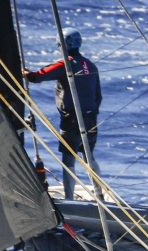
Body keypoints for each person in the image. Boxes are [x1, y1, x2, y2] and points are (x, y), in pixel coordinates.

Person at [25, 30, 102, 201]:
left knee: (69, 159)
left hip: (72, 120)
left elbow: (38, 77)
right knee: (89, 156)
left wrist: (26, 74)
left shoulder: (65, 64)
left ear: (61, 45)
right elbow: (98, 96)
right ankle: (99, 195)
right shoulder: (90, 65)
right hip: (91, 117)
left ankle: (69, 200)